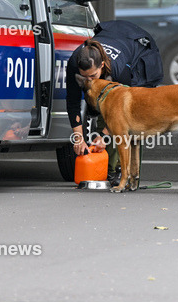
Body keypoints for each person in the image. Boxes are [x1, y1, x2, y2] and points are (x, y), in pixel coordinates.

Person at [66, 20, 162, 184]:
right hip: (114, 34)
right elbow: (73, 102)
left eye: (93, 76)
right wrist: (79, 138)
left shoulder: (118, 70)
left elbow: (121, 113)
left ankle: (125, 171)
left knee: (128, 116)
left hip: (139, 49)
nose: (88, 82)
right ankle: (105, 166)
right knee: (104, 112)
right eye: (84, 77)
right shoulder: (74, 63)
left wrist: (104, 136)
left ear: (102, 66)